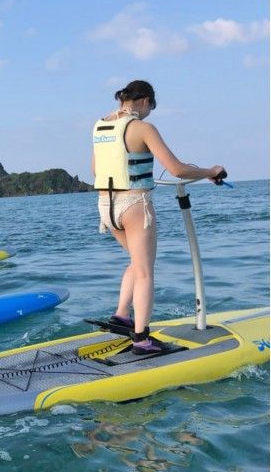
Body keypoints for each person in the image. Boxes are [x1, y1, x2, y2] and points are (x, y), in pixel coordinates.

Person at [92, 80, 225, 354]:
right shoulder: (143, 128)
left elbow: (97, 168)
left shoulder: (101, 126)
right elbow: (176, 169)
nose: (149, 112)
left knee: (136, 262)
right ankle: (141, 338)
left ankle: (121, 316)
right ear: (145, 101)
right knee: (145, 272)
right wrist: (210, 170)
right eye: (151, 106)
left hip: (106, 206)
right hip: (134, 204)